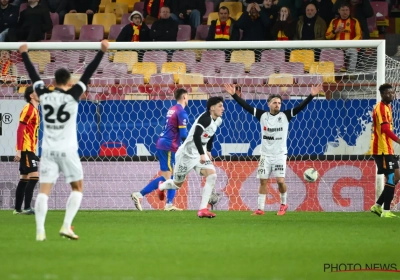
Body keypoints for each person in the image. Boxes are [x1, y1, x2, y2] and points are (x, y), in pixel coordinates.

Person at [19, 40, 109, 241]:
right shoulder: (73, 95)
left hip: (49, 151)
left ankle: (40, 231)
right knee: (77, 188)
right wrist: (102, 51)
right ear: (68, 82)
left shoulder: (44, 96)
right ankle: (66, 226)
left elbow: (34, 76)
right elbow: (88, 73)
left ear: (53, 82)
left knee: (44, 192)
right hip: (68, 151)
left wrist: (24, 53)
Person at [224, 83, 322, 216]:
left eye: (279, 103)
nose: (277, 105)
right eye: (275, 102)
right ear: (268, 104)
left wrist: (311, 95)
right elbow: (246, 106)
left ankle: (283, 204)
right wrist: (234, 95)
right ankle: (260, 209)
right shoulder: (262, 116)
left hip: (280, 155)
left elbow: (300, 107)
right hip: (265, 155)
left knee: (280, 181)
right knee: (263, 181)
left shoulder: (285, 116)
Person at [156, 97, 224, 218]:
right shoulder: (205, 119)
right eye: (220, 106)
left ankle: (203, 209)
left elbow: (211, 133)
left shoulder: (217, 120)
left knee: (212, 175)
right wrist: (202, 154)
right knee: (177, 184)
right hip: (187, 153)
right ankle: (161, 186)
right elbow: (197, 136)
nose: (223, 108)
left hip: (199, 151)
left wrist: (207, 150)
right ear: (212, 108)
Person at [131, 89, 189, 211]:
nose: (188, 99)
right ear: (184, 97)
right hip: (168, 146)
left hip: (163, 143)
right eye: (188, 97)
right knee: (170, 179)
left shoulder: (172, 109)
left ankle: (167, 204)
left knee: (169, 177)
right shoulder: (181, 112)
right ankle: (140, 195)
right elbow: (183, 134)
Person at [370, 84, 400, 218]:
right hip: (381, 149)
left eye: (392, 93)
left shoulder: (388, 106)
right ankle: (386, 211)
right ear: (382, 95)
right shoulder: (381, 108)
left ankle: (377, 205)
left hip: (388, 148)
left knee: (397, 175)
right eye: (388, 93)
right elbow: (386, 130)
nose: (391, 95)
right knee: (392, 177)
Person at [13, 86, 39, 215]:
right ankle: (27, 207)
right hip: (26, 148)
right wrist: (18, 150)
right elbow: (20, 129)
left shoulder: (35, 110)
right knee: (34, 177)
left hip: (30, 148)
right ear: (31, 95)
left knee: (24, 179)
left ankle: (17, 209)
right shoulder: (28, 109)